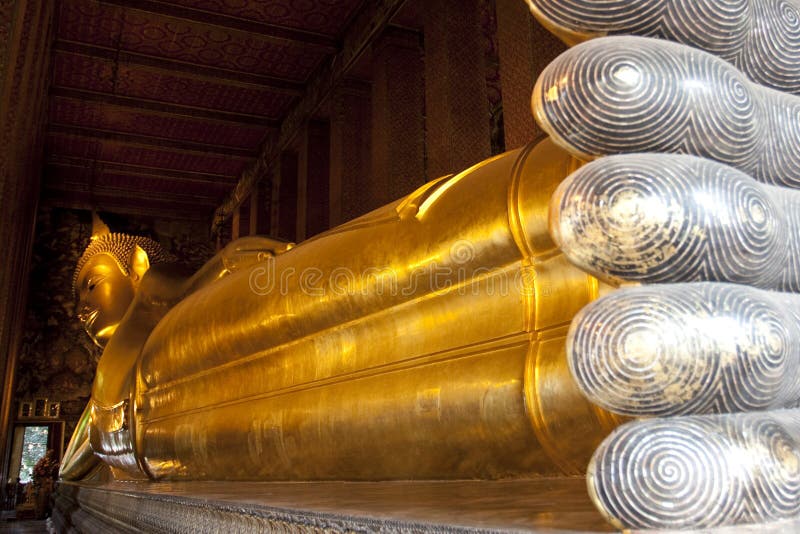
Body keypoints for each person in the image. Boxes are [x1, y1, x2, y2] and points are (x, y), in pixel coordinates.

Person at [62, 1, 800, 530]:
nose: (85, 309)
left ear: (135, 264)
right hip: (173, 410)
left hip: (207, 343)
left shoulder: (175, 309)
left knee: (419, 248)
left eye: (89, 285)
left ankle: (620, 196)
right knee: (390, 381)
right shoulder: (133, 357)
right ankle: (644, 325)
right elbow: (95, 448)